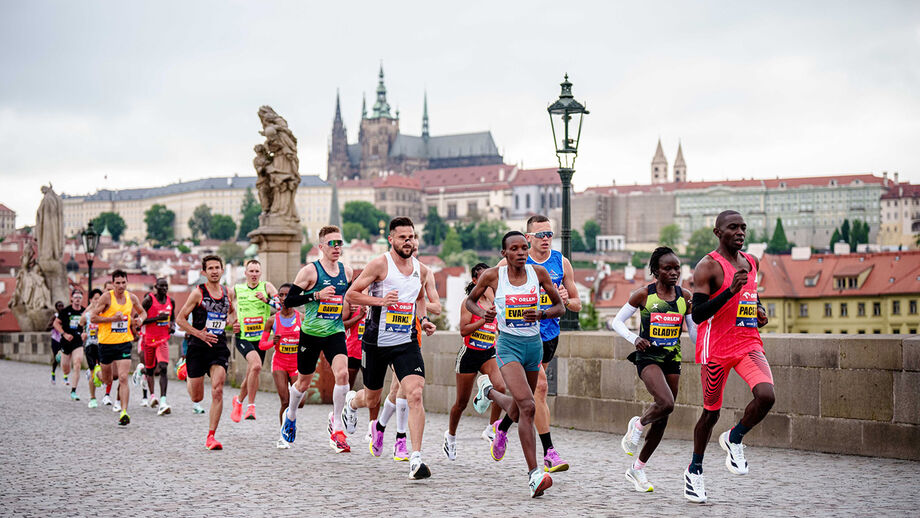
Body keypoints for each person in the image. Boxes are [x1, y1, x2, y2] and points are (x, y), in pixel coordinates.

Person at [683, 211, 774, 504]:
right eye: (733, 227)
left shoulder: (751, 261)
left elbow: (752, 294)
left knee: (766, 396)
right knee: (711, 414)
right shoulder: (707, 266)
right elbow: (698, 314)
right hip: (716, 349)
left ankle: (735, 437)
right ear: (718, 232)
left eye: (743, 227)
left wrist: (759, 310)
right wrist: (730, 292)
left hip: (748, 343)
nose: (740, 232)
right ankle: (694, 470)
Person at [468, 231, 564, 498]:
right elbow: (470, 301)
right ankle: (534, 475)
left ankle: (490, 396)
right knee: (528, 406)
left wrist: (542, 313)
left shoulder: (538, 274)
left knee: (524, 408)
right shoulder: (493, 276)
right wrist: (484, 313)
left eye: (524, 248)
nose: (521, 253)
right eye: (514, 249)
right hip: (508, 346)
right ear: (504, 253)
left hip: (534, 346)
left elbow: (560, 307)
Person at [342, 217, 437, 479]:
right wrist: (380, 301)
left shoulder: (421, 270)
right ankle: (352, 402)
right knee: (371, 399)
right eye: (403, 237)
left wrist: (424, 320)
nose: (408, 242)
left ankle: (415, 459)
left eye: (411, 237)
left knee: (415, 393)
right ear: (391, 239)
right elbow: (351, 294)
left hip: (405, 342)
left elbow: (419, 297)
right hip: (376, 342)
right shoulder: (379, 264)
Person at [497, 215, 582, 472]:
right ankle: (549, 452)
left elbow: (576, 304)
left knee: (529, 395)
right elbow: (490, 289)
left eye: (550, 235)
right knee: (541, 389)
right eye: (541, 235)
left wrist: (566, 300)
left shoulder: (561, 262)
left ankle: (502, 428)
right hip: (521, 337)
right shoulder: (512, 261)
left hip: (549, 336)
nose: (546, 239)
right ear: (528, 237)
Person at [612, 247, 695, 492]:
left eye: (677, 268)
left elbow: (693, 332)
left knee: (663, 416)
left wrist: (707, 329)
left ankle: (637, 469)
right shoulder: (643, 295)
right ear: (656, 271)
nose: (674, 273)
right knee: (666, 402)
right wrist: (634, 338)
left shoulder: (685, 297)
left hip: (672, 358)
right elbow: (617, 321)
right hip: (648, 357)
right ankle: (638, 424)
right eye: (668, 268)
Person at [279, 226, 354, 453]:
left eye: (339, 243)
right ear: (321, 247)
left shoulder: (347, 272)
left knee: (342, 374)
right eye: (332, 243)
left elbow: (349, 296)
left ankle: (337, 425)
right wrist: (316, 295)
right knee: (303, 383)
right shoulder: (310, 272)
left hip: (334, 331)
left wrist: (356, 306)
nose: (337, 247)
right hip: (310, 334)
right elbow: (289, 301)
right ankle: (291, 415)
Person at [372, 245, 442, 463]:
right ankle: (385, 429)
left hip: (411, 336)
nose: (412, 250)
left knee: (405, 391)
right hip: (385, 337)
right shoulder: (385, 269)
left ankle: (395, 437)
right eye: (408, 243)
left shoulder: (424, 272)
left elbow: (437, 307)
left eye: (415, 246)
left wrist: (411, 303)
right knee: (396, 390)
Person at [443, 263, 507, 461]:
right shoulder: (469, 302)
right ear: (475, 281)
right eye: (482, 278)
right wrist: (483, 320)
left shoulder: (495, 302)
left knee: (501, 387)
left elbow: (500, 327)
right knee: (461, 403)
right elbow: (463, 330)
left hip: (488, 352)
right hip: (469, 353)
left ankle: (491, 429)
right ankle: (451, 436)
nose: (487, 282)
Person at [176, 255, 235, 449]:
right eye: (210, 268)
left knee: (218, 390)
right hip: (197, 347)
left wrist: (233, 322)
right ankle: (185, 370)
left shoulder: (228, 292)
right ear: (204, 272)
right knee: (197, 397)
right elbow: (180, 319)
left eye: (217, 267)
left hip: (218, 346)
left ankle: (211, 437)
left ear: (222, 270)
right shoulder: (198, 293)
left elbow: (232, 311)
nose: (214, 271)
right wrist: (198, 333)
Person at [91, 270, 147, 426]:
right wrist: (111, 319)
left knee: (123, 378)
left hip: (124, 342)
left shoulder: (132, 297)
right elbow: (93, 317)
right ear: (113, 283)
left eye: (123, 282)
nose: (121, 286)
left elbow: (143, 313)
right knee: (109, 379)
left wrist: (140, 320)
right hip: (106, 343)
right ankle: (98, 373)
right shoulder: (106, 297)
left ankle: (124, 412)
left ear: (127, 282)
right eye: (118, 283)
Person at [230, 259, 278, 422]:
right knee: (256, 365)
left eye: (257, 271)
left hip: (261, 339)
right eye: (251, 271)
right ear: (245, 273)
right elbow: (224, 305)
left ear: (260, 273)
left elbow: (282, 305)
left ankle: (238, 401)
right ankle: (251, 406)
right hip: (243, 337)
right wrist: (232, 321)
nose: (254, 274)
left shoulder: (267, 287)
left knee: (252, 371)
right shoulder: (237, 289)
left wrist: (267, 300)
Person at [259, 283, 301, 448]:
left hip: (296, 364)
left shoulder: (301, 318)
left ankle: (290, 419)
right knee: (285, 400)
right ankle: (283, 436)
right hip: (280, 363)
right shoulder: (272, 320)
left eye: (287, 295)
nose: (284, 298)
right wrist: (272, 342)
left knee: (300, 402)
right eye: (280, 295)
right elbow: (262, 345)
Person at [140, 278, 176, 416]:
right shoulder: (149, 300)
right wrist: (156, 318)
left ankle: (163, 401)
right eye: (162, 286)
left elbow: (172, 318)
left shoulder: (171, 301)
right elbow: (139, 319)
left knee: (163, 367)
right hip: (149, 340)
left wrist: (172, 326)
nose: (164, 289)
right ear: (156, 287)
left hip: (162, 340)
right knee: (149, 371)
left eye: (166, 286)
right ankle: (151, 394)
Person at [54, 291, 86, 401]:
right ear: (72, 298)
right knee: (66, 370)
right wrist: (64, 334)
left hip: (77, 341)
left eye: (79, 297)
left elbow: (87, 324)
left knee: (77, 363)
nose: (77, 299)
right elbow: (56, 323)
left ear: (82, 299)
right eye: (75, 297)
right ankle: (60, 355)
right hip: (66, 341)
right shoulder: (65, 311)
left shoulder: (84, 311)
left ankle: (73, 391)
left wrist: (84, 333)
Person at [81, 289, 104, 408]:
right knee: (92, 372)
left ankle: (97, 375)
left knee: (104, 372)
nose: (97, 301)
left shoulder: (104, 313)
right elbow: (80, 324)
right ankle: (93, 398)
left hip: (103, 344)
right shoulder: (88, 315)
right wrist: (83, 332)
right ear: (91, 300)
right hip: (90, 345)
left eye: (99, 299)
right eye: (95, 299)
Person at [343, 301, 365, 388]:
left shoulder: (378, 303)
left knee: (371, 389)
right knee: (346, 387)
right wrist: (359, 316)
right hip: (352, 352)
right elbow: (341, 325)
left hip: (369, 352)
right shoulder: (352, 303)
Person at [49, 301, 64, 384]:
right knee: (56, 358)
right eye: (59, 306)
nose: (61, 308)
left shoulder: (65, 315)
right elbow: (47, 327)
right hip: (55, 339)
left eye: (62, 306)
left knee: (64, 357)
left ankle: (65, 377)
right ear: (56, 308)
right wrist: (55, 325)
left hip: (63, 339)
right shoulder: (54, 316)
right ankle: (53, 373)